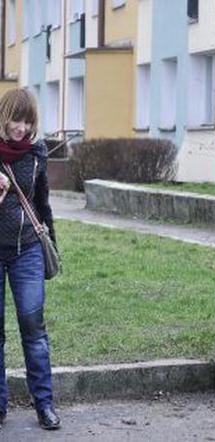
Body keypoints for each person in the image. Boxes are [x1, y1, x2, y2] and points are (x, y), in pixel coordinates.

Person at [0, 88, 60, 430]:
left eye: (26, 121)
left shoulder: (37, 152)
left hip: (28, 251)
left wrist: (51, 245)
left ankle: (45, 405)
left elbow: (42, 201)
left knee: (33, 330)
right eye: (15, 119)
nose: (20, 128)